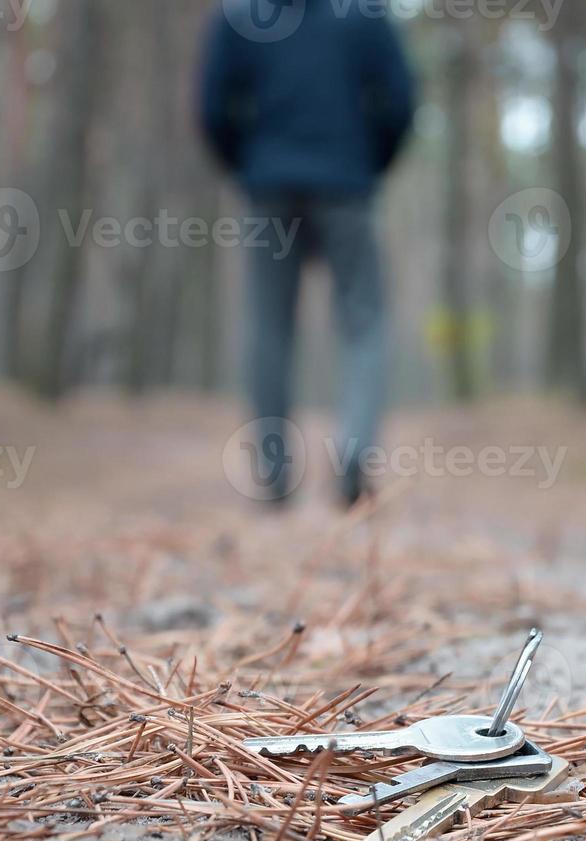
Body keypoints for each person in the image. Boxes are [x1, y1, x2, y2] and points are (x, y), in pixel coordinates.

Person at [199, 0, 416, 505]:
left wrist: (251, 165)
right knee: (364, 321)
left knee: (269, 325)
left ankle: (274, 473)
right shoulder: (364, 15)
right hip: (347, 183)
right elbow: (401, 102)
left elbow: (213, 109)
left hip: (269, 184)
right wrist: (368, 164)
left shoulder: (238, 16)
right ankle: (355, 451)